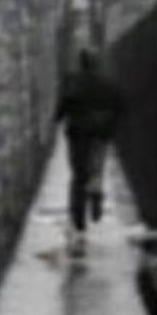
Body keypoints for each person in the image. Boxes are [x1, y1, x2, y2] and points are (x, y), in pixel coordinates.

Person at [55, 48, 125, 248]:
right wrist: (110, 124)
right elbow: (121, 105)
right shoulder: (107, 83)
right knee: (96, 169)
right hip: (100, 136)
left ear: (81, 62)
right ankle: (95, 193)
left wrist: (59, 117)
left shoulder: (72, 82)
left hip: (77, 136)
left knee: (78, 176)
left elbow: (62, 107)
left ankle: (79, 222)